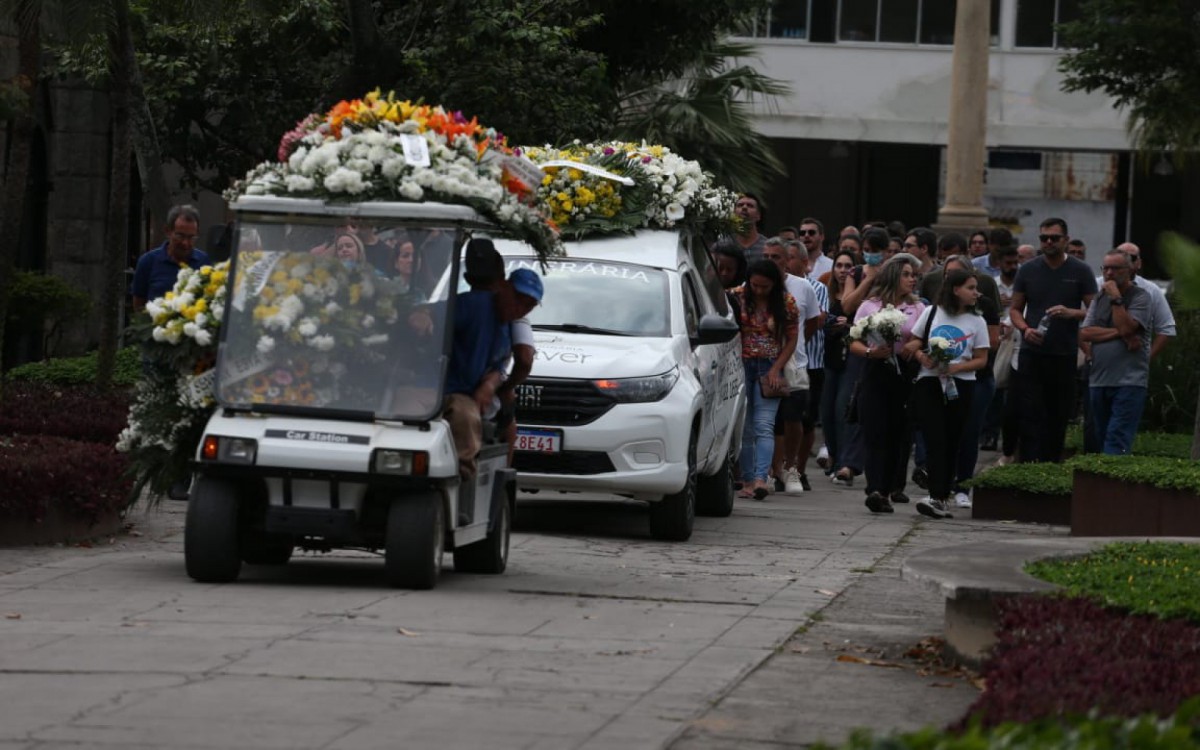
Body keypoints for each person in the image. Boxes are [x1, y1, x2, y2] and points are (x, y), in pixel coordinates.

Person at [1008, 218, 1097, 463]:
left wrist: (1072, 313)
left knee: (1058, 416)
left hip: (1064, 353)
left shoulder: (1081, 271)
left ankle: (1050, 469)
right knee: (1029, 415)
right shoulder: (1028, 269)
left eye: (1054, 238)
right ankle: (1026, 468)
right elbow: (1015, 309)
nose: (1048, 242)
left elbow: (1096, 311)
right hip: (1032, 351)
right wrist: (1025, 329)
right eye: (1044, 238)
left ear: (1066, 240)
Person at [905, 268, 990, 519]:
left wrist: (957, 367)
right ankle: (934, 493)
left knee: (953, 439)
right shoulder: (933, 313)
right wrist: (922, 356)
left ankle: (942, 495)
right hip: (929, 383)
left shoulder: (977, 321)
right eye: (971, 288)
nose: (976, 293)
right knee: (934, 437)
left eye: (976, 288)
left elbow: (982, 359)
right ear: (956, 290)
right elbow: (913, 342)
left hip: (960, 385)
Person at [848, 255, 924, 513]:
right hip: (875, 370)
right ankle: (875, 489)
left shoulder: (918, 309)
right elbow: (854, 340)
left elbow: (922, 337)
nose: (912, 279)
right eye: (906, 274)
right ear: (893, 276)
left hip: (904, 373)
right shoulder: (870, 306)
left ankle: (890, 487)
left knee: (897, 434)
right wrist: (871, 352)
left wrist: (914, 344)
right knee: (874, 431)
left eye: (914, 275)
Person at [731, 260, 799, 500]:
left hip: (769, 365)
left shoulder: (786, 303)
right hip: (741, 365)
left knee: (763, 424)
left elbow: (792, 339)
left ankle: (761, 478)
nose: (759, 290)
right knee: (746, 428)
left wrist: (776, 368)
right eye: (755, 285)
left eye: (765, 286)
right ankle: (748, 480)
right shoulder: (736, 297)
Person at [763, 239, 821, 493]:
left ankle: (791, 467)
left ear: (787, 260)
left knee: (794, 416)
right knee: (767, 419)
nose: (771, 261)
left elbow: (811, 323)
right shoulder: (752, 285)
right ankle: (771, 470)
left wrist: (795, 345)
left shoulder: (802, 287)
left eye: (776, 257)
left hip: (795, 361)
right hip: (762, 359)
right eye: (766, 256)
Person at [1080, 249, 1151, 455]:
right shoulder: (1099, 297)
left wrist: (1116, 299)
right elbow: (1085, 332)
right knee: (1100, 436)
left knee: (1117, 437)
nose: (1109, 273)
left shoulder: (1140, 297)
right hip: (1099, 379)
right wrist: (1120, 333)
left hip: (1129, 381)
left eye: (1115, 268)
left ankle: (1111, 485)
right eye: (1106, 268)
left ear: (1129, 270)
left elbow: (1128, 328)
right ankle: (1102, 484)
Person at [820, 249, 860, 484]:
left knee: (842, 409)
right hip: (829, 358)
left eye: (848, 266)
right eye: (839, 266)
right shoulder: (825, 293)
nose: (843, 270)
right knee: (826, 412)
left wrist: (850, 325)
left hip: (852, 359)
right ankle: (835, 456)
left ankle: (846, 463)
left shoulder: (858, 297)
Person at [132, 204, 210, 310]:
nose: (185, 243)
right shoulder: (147, 262)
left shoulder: (204, 262)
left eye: (191, 237)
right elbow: (138, 306)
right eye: (180, 236)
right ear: (168, 232)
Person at [734, 194, 768, 264]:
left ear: (758, 216)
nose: (744, 207)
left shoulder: (768, 247)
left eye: (750, 205)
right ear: (733, 213)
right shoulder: (722, 245)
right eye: (740, 205)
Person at [799, 217, 833, 282]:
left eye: (811, 232)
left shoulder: (831, 266)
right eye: (802, 233)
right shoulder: (793, 264)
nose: (806, 235)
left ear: (822, 237)